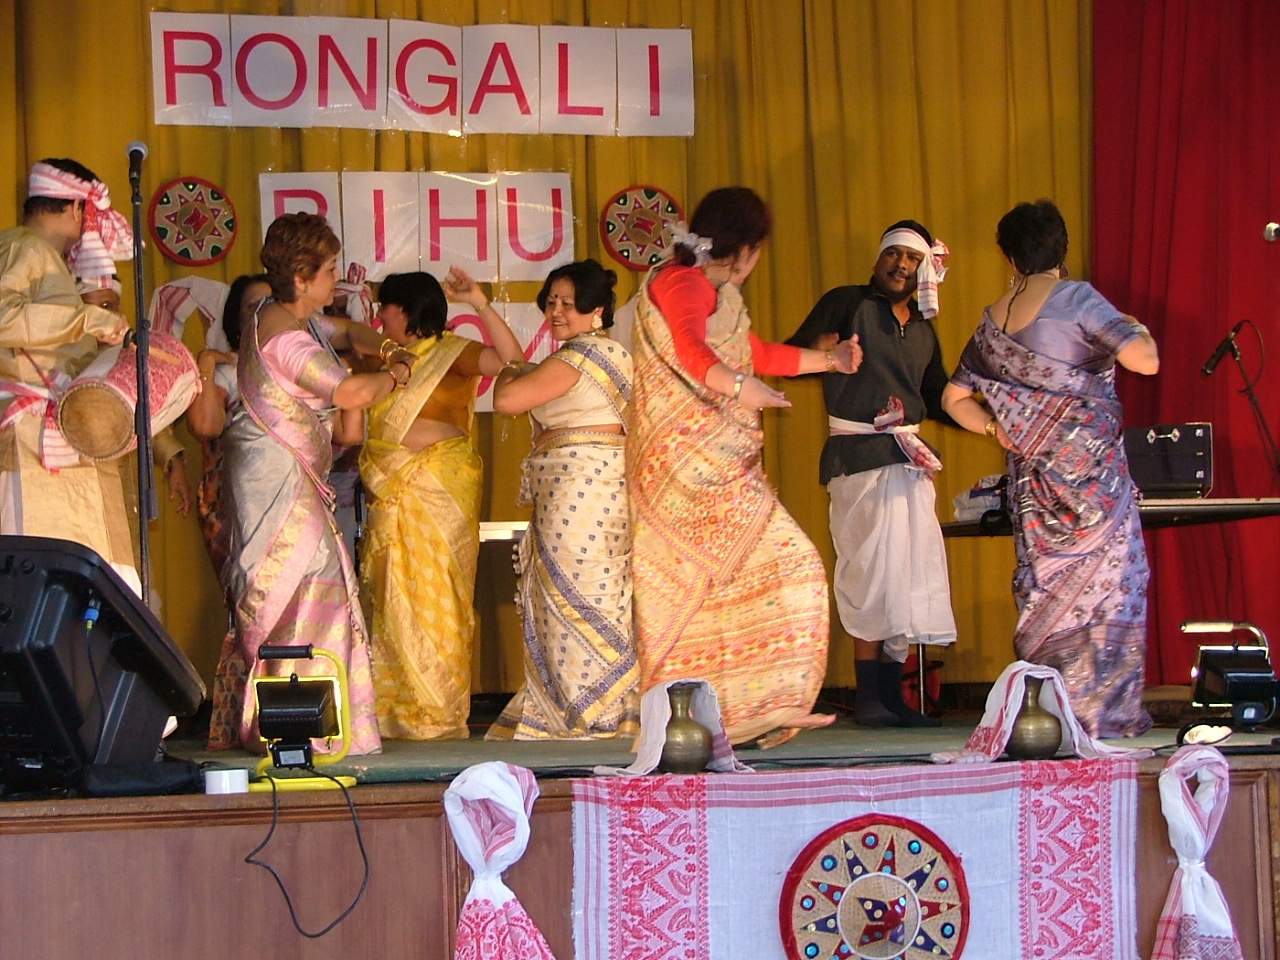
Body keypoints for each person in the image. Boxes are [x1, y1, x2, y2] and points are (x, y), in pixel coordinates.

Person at [628, 187, 861, 747]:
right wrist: (740, 388)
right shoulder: (683, 283)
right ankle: (701, 715)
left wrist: (829, 360)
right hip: (685, 474)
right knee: (782, 569)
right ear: (748, 249)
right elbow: (692, 350)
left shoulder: (716, 293)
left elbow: (752, 353)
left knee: (760, 580)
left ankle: (746, 712)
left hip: (720, 470)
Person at [942, 200, 1159, 738]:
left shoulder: (993, 323)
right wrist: (1138, 329)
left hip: (1036, 494)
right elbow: (1145, 361)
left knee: (1048, 594)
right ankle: (1103, 720)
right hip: (1096, 490)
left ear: (1009, 257)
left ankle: (1055, 719)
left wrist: (995, 430)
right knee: (1114, 587)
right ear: (1061, 249)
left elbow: (953, 399)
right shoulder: (1077, 299)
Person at [219, 212, 411, 755]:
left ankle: (305, 721)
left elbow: (346, 331)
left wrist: (387, 347)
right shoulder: (286, 341)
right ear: (302, 278)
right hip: (276, 481)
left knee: (316, 579)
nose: (336, 280)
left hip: (284, 476)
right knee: (303, 582)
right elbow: (350, 394)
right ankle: (302, 728)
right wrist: (398, 373)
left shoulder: (278, 313)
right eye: (329, 271)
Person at [786, 219, 959, 727]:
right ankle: (868, 697)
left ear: (924, 268)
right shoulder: (848, 303)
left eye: (912, 258)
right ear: (879, 258)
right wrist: (827, 357)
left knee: (904, 577)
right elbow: (794, 354)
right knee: (867, 573)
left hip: (908, 460)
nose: (901, 265)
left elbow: (937, 396)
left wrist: (991, 418)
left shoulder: (923, 327)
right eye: (894, 255)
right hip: (857, 458)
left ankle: (892, 697)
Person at [355, 267, 522, 740]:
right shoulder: (385, 361)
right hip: (392, 493)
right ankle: (394, 711)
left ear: (405, 309)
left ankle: (438, 713)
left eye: (385, 308)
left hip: (440, 488)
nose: (380, 318)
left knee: (440, 597)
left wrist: (480, 303)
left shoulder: (454, 352)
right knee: (392, 596)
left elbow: (513, 361)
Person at [486, 259, 638, 741]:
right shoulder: (602, 355)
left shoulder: (581, 357)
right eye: (551, 301)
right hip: (593, 490)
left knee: (576, 598)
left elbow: (507, 400)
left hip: (581, 494)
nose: (556, 312)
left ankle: (585, 711)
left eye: (569, 304)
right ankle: (602, 707)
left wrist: (510, 374)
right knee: (592, 595)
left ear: (596, 311)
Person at [0, 159, 133, 586]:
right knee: (41, 580)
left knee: (88, 578)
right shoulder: (24, 247)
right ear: (77, 208)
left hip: (57, 430)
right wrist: (89, 320)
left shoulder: (48, 260)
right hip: (29, 433)